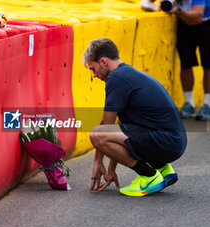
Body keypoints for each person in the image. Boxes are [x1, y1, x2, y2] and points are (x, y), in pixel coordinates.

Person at [83, 38, 187, 196]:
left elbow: (106, 126)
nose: (94, 75)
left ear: (103, 61)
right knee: (114, 133)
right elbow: (119, 127)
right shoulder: (126, 74)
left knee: (97, 134)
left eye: (93, 69)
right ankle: (163, 170)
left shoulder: (116, 78)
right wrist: (111, 170)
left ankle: (149, 176)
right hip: (173, 141)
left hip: (167, 142)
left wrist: (97, 163)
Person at [169, 0, 210, 120]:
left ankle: (207, 103)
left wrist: (177, 10)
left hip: (205, 23)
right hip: (185, 25)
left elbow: (197, 16)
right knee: (185, 64)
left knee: (208, 65)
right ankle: (189, 103)